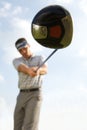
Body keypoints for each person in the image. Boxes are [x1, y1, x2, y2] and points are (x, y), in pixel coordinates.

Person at [13, 37, 48, 130]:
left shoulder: (40, 58)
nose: (23, 51)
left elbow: (45, 69)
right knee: (17, 126)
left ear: (29, 45)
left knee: (30, 126)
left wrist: (38, 70)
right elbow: (20, 67)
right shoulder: (17, 60)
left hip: (35, 94)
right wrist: (29, 71)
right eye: (20, 50)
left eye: (25, 48)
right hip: (21, 95)